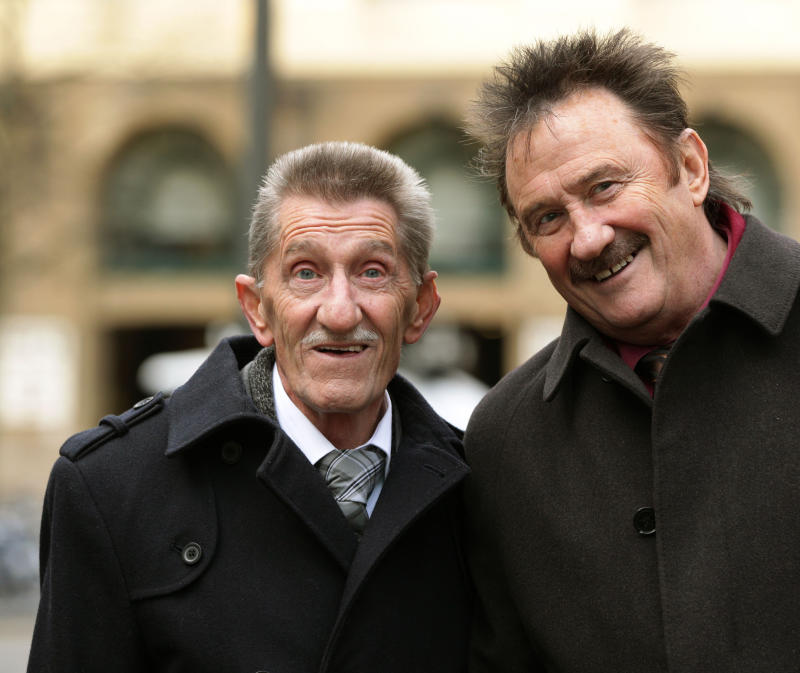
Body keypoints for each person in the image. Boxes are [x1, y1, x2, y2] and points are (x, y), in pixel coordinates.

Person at [462, 28, 800, 672]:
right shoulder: (507, 439)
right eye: (547, 218)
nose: (586, 238)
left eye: (605, 187)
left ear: (691, 168)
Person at [28, 141, 472, 672]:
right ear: (257, 309)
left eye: (372, 271)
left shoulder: (479, 491)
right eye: (305, 272)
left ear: (420, 308)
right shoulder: (110, 489)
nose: (337, 311)